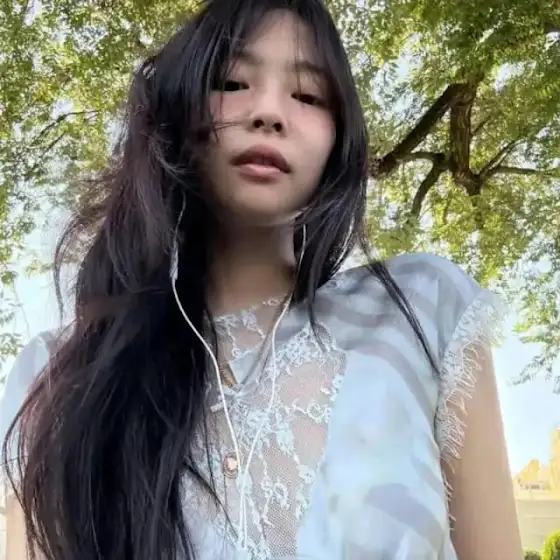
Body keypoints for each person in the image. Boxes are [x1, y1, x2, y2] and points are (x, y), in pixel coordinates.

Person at [0, 0, 523, 558]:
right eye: (232, 83)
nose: (270, 111)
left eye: (308, 95)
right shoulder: (60, 377)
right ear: (176, 114)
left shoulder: (419, 312)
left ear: (338, 138)